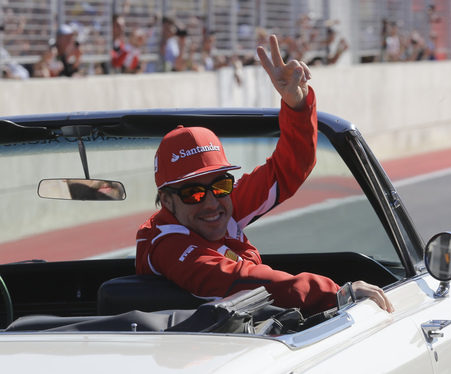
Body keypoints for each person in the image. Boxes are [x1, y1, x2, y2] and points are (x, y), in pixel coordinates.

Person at [136, 35, 394, 316]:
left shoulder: (223, 207)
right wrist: (337, 294)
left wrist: (297, 104)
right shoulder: (166, 245)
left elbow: (288, 169)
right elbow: (243, 281)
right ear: (167, 201)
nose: (211, 202)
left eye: (221, 185)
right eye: (194, 193)